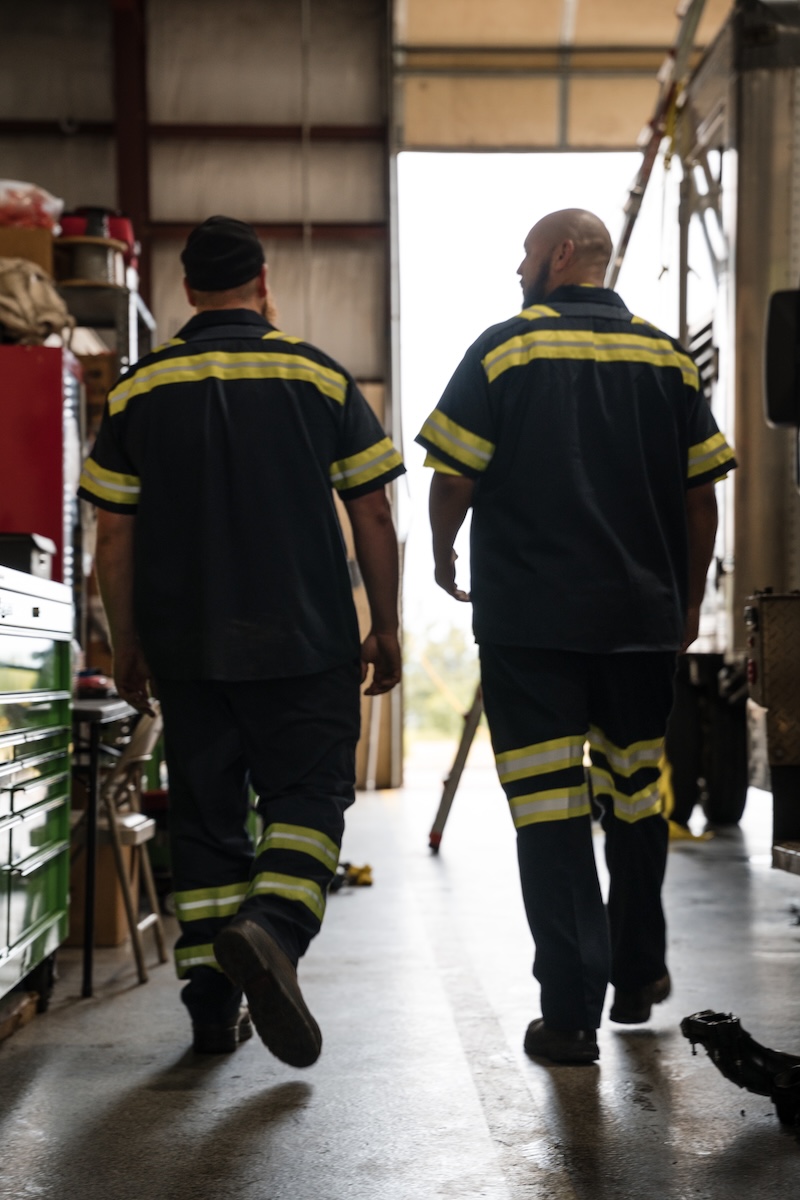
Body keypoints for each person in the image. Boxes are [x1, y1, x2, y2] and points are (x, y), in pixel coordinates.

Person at [78, 215, 405, 1066]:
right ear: (264, 282)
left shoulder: (140, 389)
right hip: (306, 639)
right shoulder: (317, 376)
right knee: (307, 801)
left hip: (188, 648)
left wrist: (127, 644)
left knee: (210, 823)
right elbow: (371, 507)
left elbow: (114, 535)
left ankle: (212, 1011)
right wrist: (387, 622)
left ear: (185, 290)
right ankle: (273, 929)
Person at [416, 208, 736, 1065]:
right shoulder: (667, 357)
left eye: (526, 254)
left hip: (533, 628)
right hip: (639, 625)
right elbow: (702, 493)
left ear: (561, 255)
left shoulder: (504, 349)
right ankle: (635, 974)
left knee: (552, 813)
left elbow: (454, 473)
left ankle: (569, 1018)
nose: (519, 270)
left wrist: (445, 549)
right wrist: (685, 600)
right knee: (638, 801)